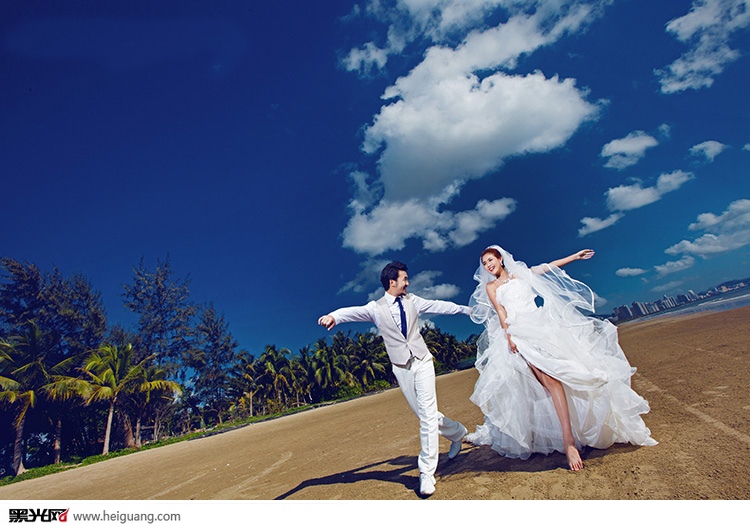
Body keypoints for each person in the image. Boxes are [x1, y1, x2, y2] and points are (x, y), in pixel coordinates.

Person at [466, 245, 657, 471]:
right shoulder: (491, 287)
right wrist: (509, 337)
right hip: (519, 333)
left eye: (490, 260)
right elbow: (501, 312)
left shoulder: (521, 274)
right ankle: (568, 442)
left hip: (543, 328)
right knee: (549, 381)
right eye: (485, 263)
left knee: (565, 374)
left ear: (500, 258)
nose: (488, 265)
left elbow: (547, 267)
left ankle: (570, 435)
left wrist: (575, 256)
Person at [318, 261, 471, 496]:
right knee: (424, 413)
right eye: (404, 279)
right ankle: (457, 432)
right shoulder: (375, 308)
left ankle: (426, 472)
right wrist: (333, 317)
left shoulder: (413, 301)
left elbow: (440, 305)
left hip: (422, 360)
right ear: (392, 282)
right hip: (401, 367)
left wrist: (466, 310)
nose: (408, 283)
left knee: (427, 416)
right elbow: (351, 311)